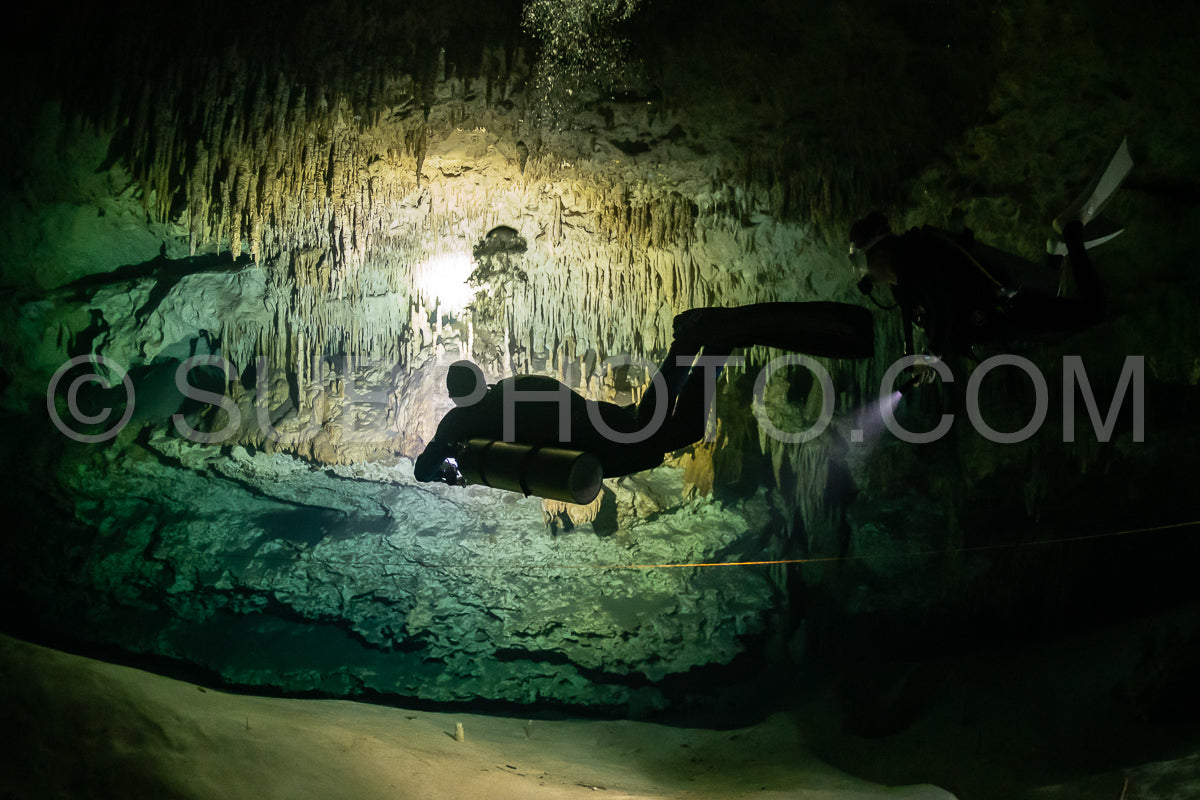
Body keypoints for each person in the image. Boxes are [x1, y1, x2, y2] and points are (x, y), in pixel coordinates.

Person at [413, 302, 874, 486]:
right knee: (664, 425)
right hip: (589, 429)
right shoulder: (509, 389)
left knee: (648, 422)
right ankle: (714, 345)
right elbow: (559, 398)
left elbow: (421, 470)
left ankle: (696, 343)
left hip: (589, 442)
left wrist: (450, 469)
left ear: (456, 397)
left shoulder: (459, 422)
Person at [848, 211, 1104, 361]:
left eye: (862, 262)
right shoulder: (901, 285)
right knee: (1059, 328)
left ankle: (1071, 231)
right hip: (997, 323)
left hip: (1005, 308)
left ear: (879, 253)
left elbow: (941, 305)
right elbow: (929, 318)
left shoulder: (918, 261)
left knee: (1092, 313)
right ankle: (1055, 255)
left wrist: (931, 355)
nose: (864, 273)